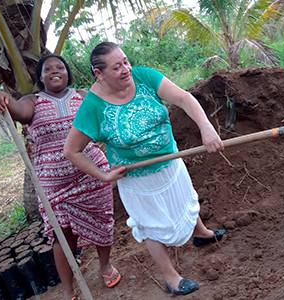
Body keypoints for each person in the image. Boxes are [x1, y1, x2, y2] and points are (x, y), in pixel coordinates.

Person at [64, 42, 226, 296]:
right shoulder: (93, 107)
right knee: (151, 226)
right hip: (137, 179)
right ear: (99, 74)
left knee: (186, 198)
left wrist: (206, 127)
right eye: (116, 67)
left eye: (126, 61)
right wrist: (104, 176)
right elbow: (71, 150)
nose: (126, 69)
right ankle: (171, 277)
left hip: (171, 160)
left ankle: (201, 233)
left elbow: (183, 98)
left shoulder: (144, 76)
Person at [0, 55, 125, 300]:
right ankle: (68, 289)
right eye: (48, 69)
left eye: (60, 67)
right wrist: (3, 100)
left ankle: (105, 266)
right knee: (61, 235)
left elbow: (108, 116)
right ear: (40, 77)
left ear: (67, 73)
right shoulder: (33, 101)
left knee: (103, 222)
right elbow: (18, 111)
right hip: (54, 185)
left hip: (93, 176)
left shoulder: (83, 96)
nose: (55, 71)